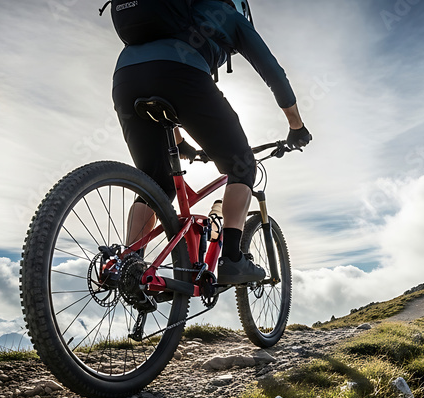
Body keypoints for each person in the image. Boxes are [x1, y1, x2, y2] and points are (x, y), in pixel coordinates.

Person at [113, 0, 311, 285]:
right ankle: (232, 260)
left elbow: (158, 87)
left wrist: (180, 141)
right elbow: (272, 72)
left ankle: (129, 265)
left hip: (125, 79)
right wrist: (296, 126)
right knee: (242, 166)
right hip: (182, 73)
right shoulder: (228, 13)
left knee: (156, 183)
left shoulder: (169, 13)